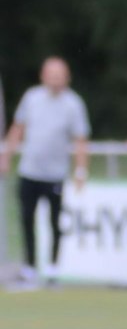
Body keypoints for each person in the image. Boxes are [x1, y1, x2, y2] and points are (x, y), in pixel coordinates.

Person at [0, 57, 91, 287]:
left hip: (55, 174)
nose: (55, 79)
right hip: (29, 171)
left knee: (54, 222)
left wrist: (80, 171)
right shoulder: (32, 97)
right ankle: (29, 267)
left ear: (67, 77)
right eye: (51, 74)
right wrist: (6, 156)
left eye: (59, 74)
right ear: (43, 75)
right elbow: (17, 128)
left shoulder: (74, 103)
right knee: (26, 220)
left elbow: (80, 139)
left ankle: (52, 269)